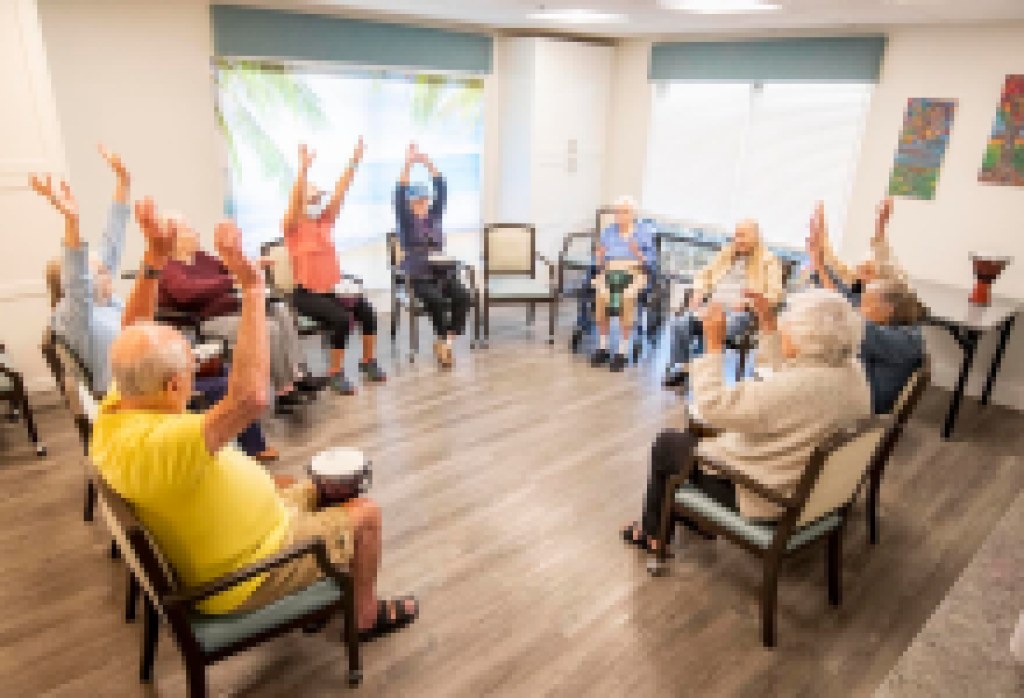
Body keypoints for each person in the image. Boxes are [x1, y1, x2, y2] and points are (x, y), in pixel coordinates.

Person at [91, 217, 419, 640]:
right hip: (248, 573)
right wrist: (252, 289)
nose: (194, 371)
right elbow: (249, 399)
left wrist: (154, 258)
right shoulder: (165, 442)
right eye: (192, 368)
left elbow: (133, 333)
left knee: (328, 488)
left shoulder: (119, 407)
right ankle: (365, 617)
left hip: (254, 530)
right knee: (366, 514)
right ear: (173, 386)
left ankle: (326, 591)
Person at [31, 150, 276, 461]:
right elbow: (78, 277)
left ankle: (247, 451)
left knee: (221, 371)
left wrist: (123, 182)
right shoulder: (76, 317)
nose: (108, 273)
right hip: (135, 387)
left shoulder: (105, 302)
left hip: (148, 370)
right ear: (76, 285)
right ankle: (233, 455)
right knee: (224, 384)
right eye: (100, 272)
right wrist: (71, 222)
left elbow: (112, 243)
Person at [623, 288, 871, 552]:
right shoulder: (851, 371)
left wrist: (714, 347)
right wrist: (768, 324)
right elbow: (795, 369)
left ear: (804, 339)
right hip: (812, 491)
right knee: (695, 441)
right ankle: (690, 516)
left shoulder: (793, 389)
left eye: (787, 324)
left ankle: (653, 534)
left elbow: (713, 407)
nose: (783, 327)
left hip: (769, 496)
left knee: (668, 445)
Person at [160, 220, 318, 404]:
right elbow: (187, 292)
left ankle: (298, 373)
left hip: (235, 309)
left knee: (280, 309)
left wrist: (251, 266)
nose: (196, 234)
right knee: (269, 328)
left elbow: (229, 270)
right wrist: (229, 280)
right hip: (209, 320)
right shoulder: (169, 266)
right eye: (189, 230)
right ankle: (285, 390)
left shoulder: (201, 257)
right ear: (174, 238)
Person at [282, 140, 387, 395]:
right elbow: (295, 203)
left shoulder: (325, 221)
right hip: (306, 295)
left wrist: (355, 160)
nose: (318, 201)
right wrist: (303, 170)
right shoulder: (292, 228)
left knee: (367, 310)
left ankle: (367, 362)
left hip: (332, 290)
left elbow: (342, 190)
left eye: (319, 197)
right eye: (314, 198)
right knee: (341, 319)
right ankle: (335, 374)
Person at [807, 202, 924, 415]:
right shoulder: (892, 322)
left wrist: (819, 262)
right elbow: (847, 298)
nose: (859, 304)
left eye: (866, 302)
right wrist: (818, 262)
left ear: (888, 308)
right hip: (855, 388)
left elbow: (847, 311)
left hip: (861, 405)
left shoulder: (903, 339)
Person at [664, 220, 784, 388]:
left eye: (743, 235)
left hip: (743, 314)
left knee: (714, 329)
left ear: (756, 237)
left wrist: (748, 303)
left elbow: (775, 294)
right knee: (680, 324)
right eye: (736, 235)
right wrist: (699, 291)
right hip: (714, 307)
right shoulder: (727, 254)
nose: (738, 240)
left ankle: (706, 377)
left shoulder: (769, 261)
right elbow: (704, 275)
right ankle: (684, 370)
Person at [395, 143, 470, 369]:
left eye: (425, 200)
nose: (423, 204)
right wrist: (408, 164)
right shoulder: (407, 221)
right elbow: (399, 194)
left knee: (463, 297)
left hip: (443, 273)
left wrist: (427, 163)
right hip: (419, 275)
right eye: (418, 201)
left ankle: (446, 343)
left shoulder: (435, 215)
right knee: (436, 301)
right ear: (410, 203)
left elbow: (442, 188)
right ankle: (442, 343)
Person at [589, 196, 655, 373]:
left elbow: (650, 263)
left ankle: (622, 351)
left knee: (627, 297)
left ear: (633, 214)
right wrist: (598, 258)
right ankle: (602, 348)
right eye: (617, 211)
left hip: (634, 271)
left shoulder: (643, 232)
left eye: (624, 212)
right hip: (610, 270)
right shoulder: (608, 232)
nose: (619, 215)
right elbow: (598, 263)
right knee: (601, 294)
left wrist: (638, 253)